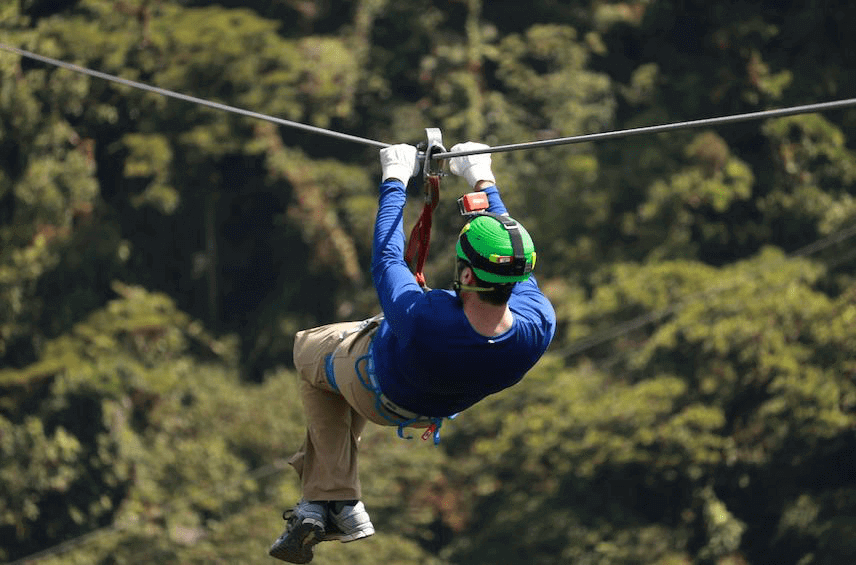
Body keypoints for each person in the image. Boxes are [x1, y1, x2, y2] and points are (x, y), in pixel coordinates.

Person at [268, 142, 556, 563]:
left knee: (308, 349)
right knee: (340, 371)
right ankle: (326, 503)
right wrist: (482, 179)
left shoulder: (426, 317)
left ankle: (335, 498)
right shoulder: (537, 324)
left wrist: (394, 181)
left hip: (376, 387)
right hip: (429, 408)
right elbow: (509, 255)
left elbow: (387, 258)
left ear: (466, 273)